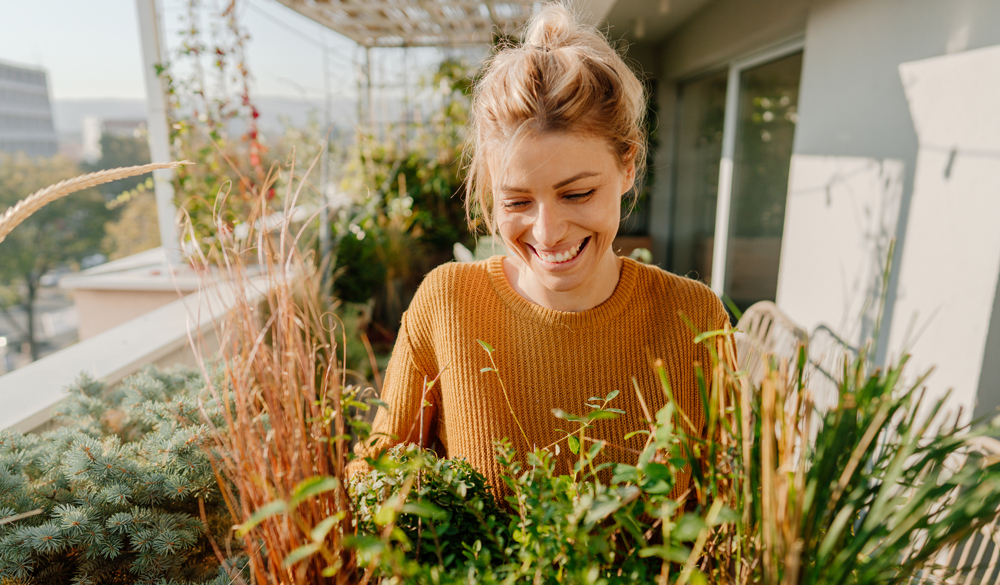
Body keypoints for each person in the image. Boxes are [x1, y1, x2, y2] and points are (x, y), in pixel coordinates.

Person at [348, 4, 730, 500]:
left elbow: (732, 508)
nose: (547, 233)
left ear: (628, 166)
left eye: (577, 194)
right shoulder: (447, 304)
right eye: (517, 201)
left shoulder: (694, 318)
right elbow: (376, 477)